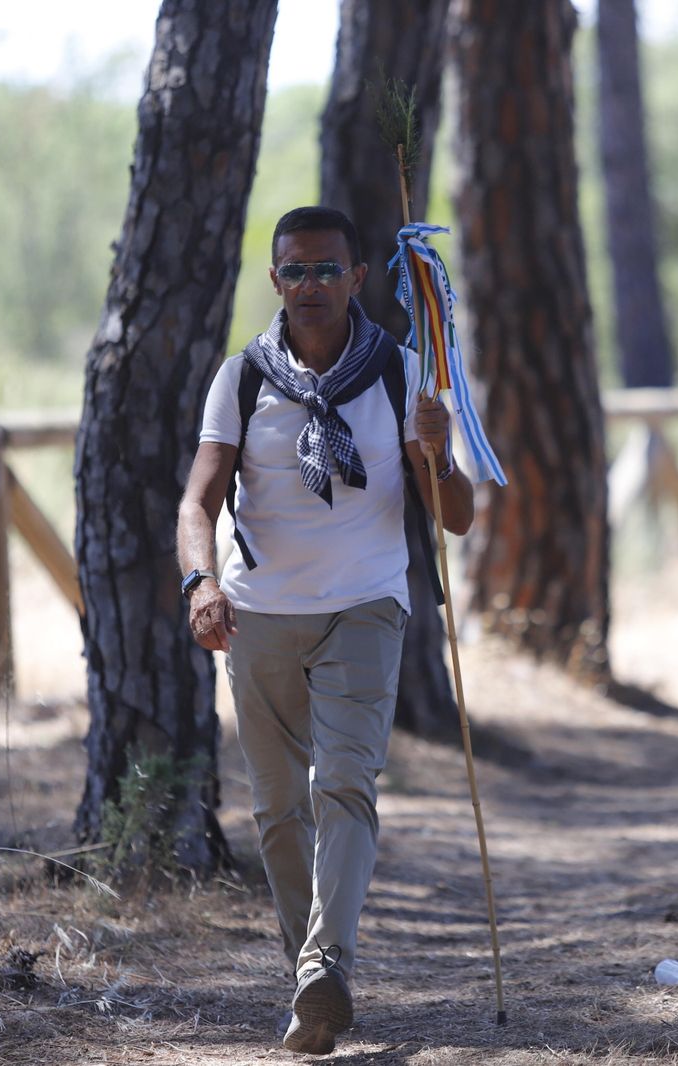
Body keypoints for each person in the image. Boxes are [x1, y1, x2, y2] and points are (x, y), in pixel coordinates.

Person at [176, 206, 474, 1055]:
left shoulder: (403, 375)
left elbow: (457, 521)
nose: (309, 285)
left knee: (343, 783)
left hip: (366, 606)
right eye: (293, 271)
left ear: (357, 278)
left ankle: (323, 969)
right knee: (277, 812)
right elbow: (199, 501)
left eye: (325, 270)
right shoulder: (243, 378)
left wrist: (439, 455)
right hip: (260, 612)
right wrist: (200, 581)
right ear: (275, 281)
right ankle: (317, 978)